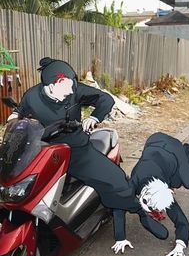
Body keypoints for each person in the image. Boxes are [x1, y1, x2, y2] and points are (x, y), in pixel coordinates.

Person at [6, 57, 169, 240]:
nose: (71, 89)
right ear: (53, 84)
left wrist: (94, 117)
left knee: (115, 180)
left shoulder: (76, 91)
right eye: (67, 85)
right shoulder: (33, 95)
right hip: (44, 150)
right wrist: (13, 119)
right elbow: (19, 110)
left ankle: (140, 213)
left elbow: (105, 99)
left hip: (76, 149)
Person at [111, 132, 189, 256]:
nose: (151, 211)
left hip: (173, 150)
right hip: (155, 141)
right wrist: (120, 238)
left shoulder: (164, 195)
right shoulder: (133, 183)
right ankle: (188, 152)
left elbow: (182, 222)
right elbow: (118, 206)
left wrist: (180, 246)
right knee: (175, 181)